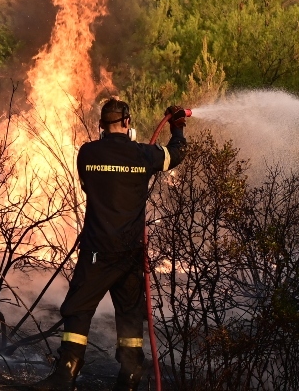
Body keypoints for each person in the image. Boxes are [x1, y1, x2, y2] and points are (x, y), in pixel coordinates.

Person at [27, 99, 188, 391]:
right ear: (127, 123)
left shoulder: (87, 153)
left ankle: (65, 377)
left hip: (97, 250)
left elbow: (90, 186)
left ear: (101, 126)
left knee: (78, 309)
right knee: (129, 315)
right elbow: (176, 155)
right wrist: (177, 127)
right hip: (130, 253)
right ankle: (129, 379)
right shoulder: (143, 154)